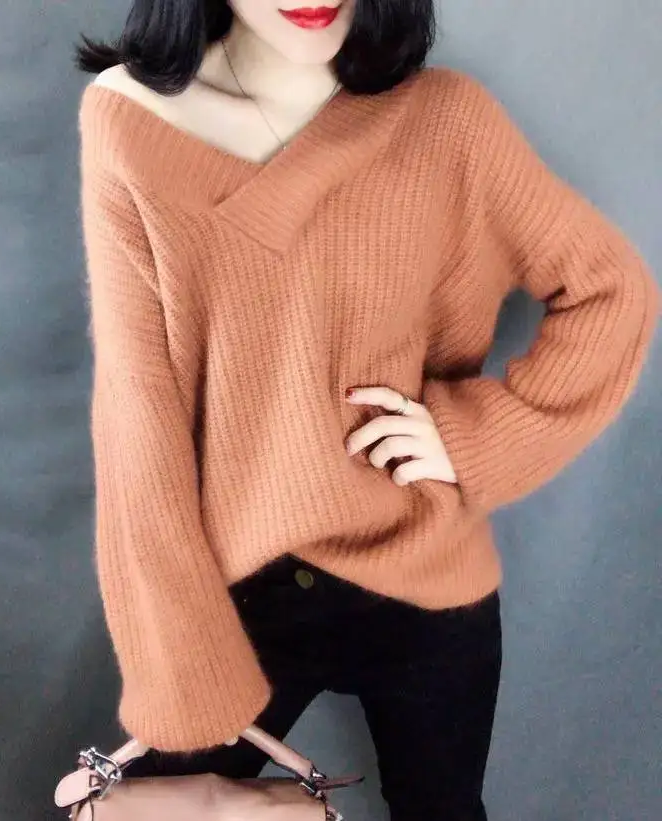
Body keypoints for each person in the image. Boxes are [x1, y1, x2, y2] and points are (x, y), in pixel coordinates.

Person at [74, 1, 658, 818]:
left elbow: (610, 291)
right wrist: (177, 657)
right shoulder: (130, 118)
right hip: (241, 594)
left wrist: (474, 436)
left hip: (427, 583)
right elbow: (139, 412)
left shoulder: (446, 119)